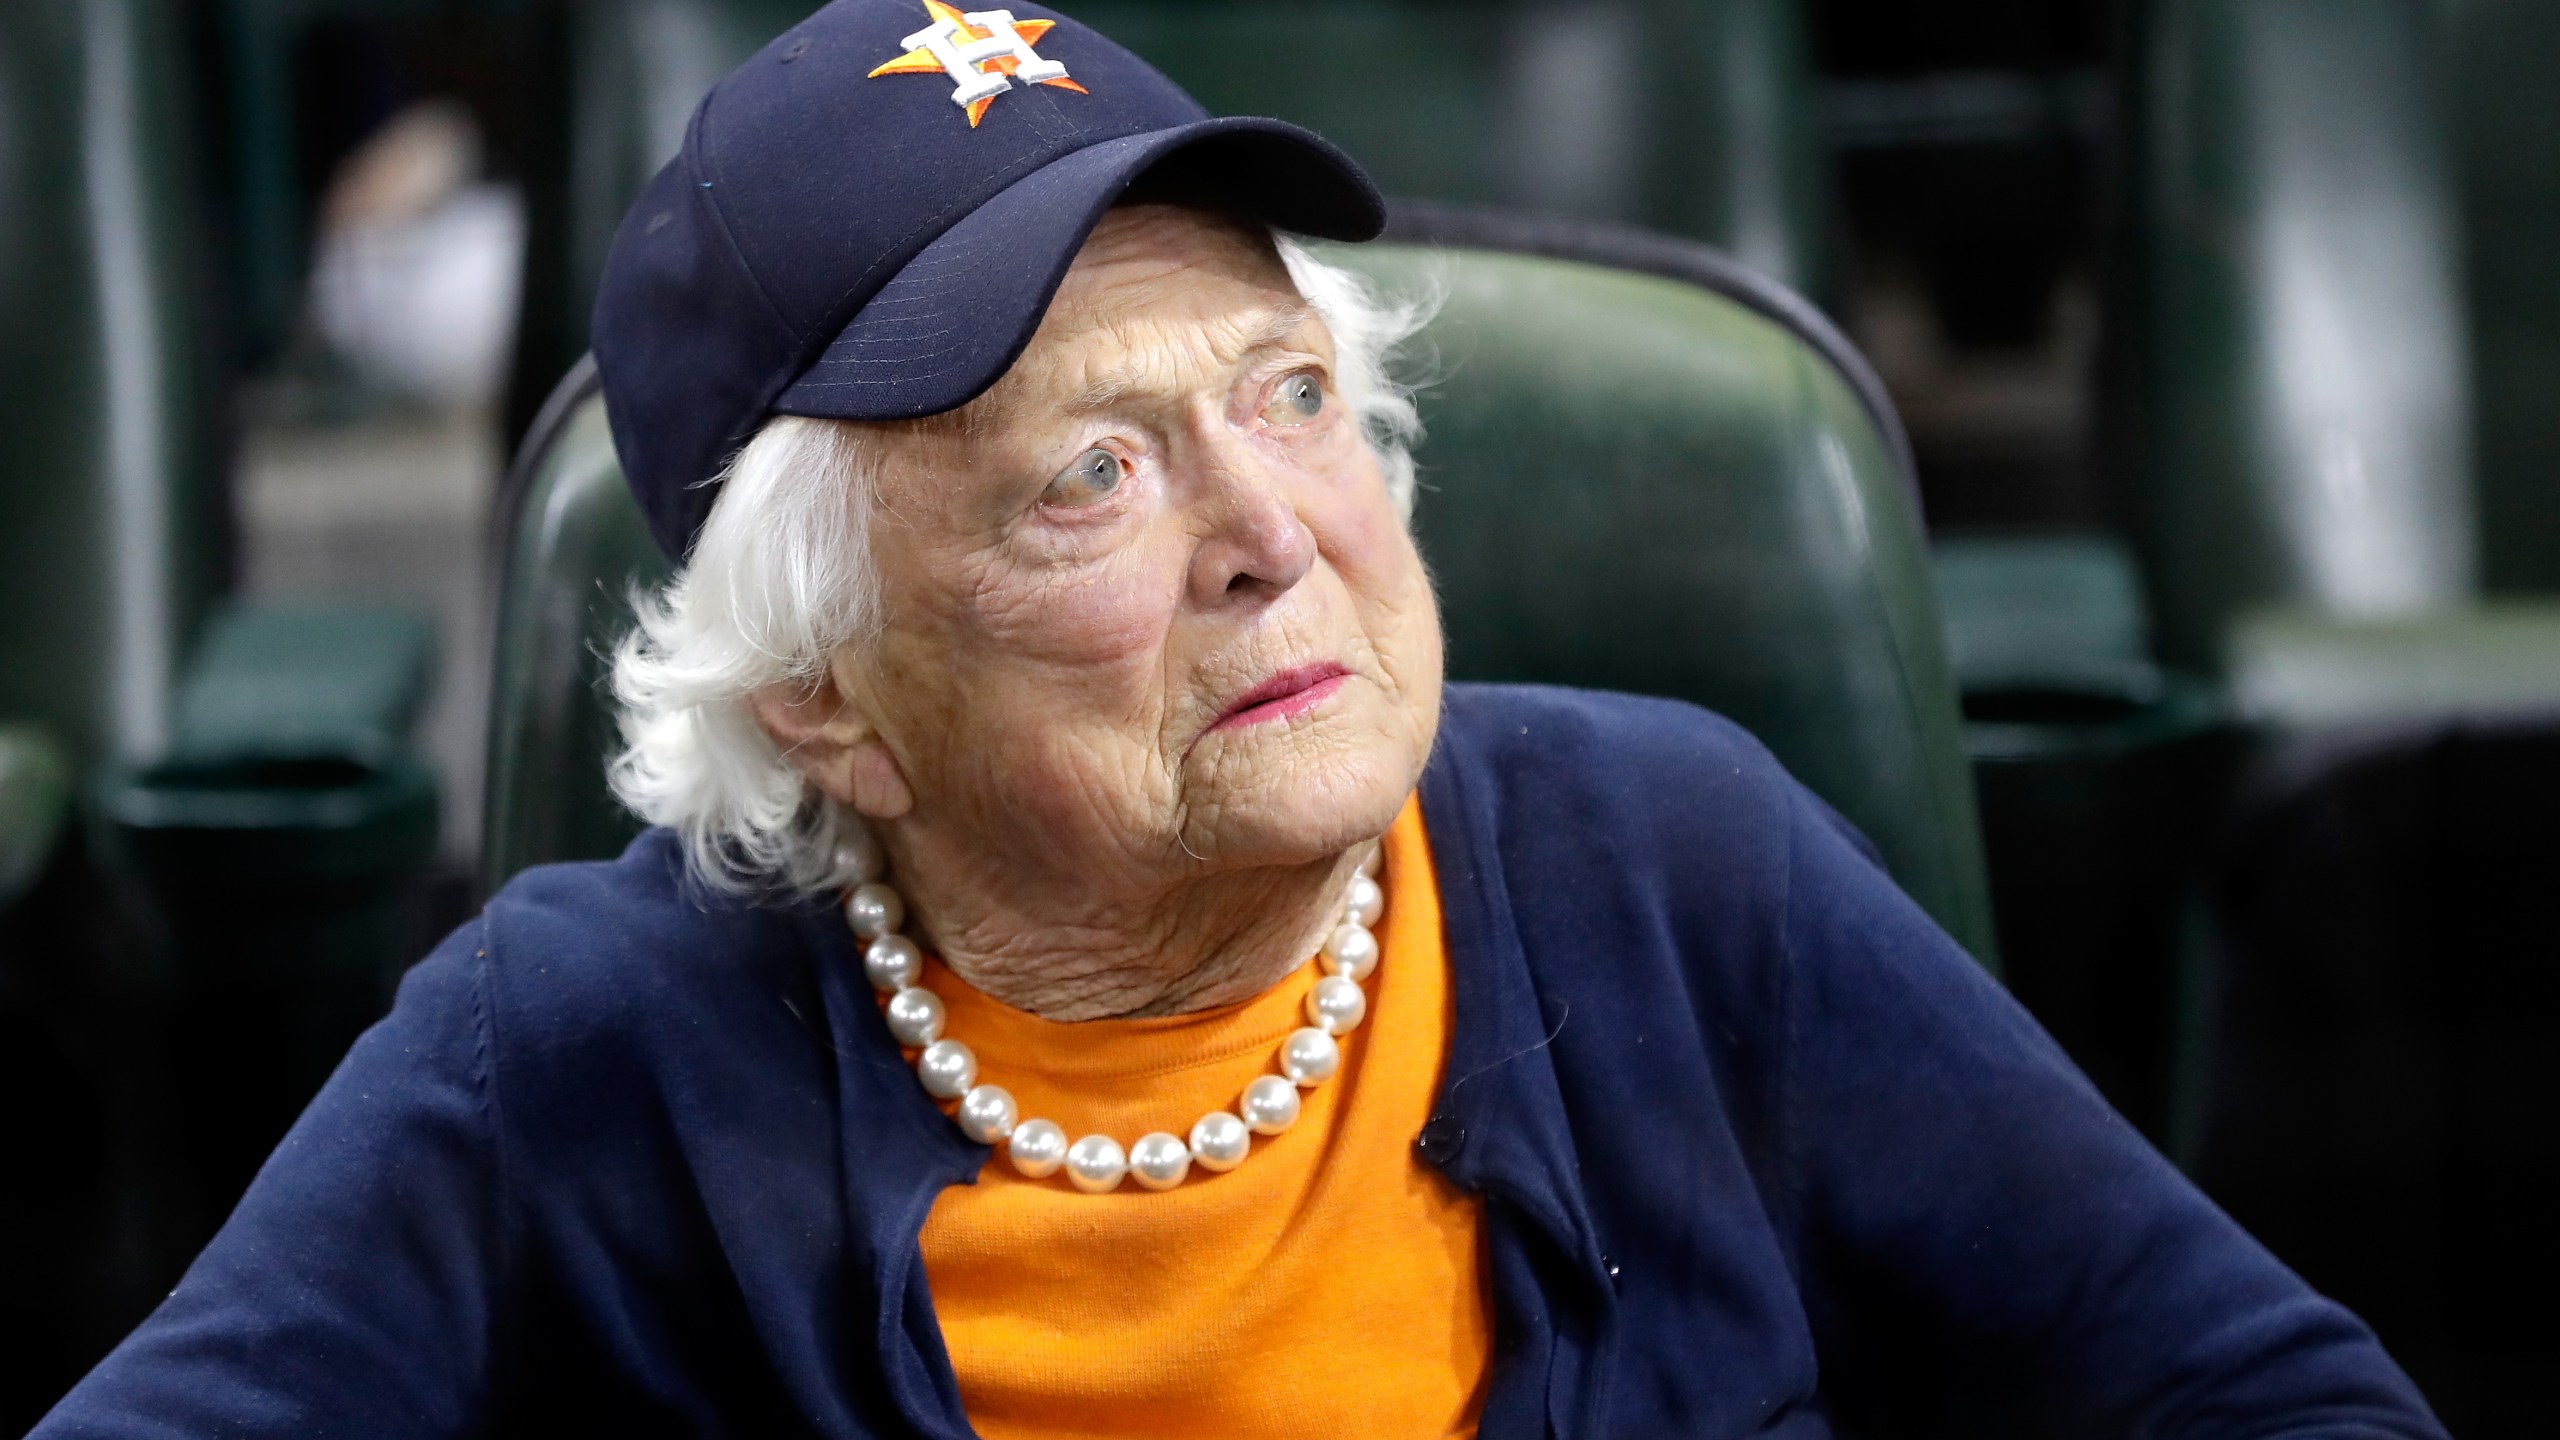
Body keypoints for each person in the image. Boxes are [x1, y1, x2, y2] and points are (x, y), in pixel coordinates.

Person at [37, 1, 2445, 1436]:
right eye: (1089, 472)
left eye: (1287, 389)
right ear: (833, 696)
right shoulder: (561, 1059)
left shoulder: (1673, 865)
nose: (1268, 526)